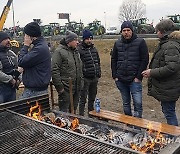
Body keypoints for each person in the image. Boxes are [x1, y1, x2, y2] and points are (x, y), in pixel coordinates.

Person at [142, 19, 180, 126]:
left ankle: (174, 137)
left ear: (162, 31)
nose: (156, 33)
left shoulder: (170, 45)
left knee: (169, 113)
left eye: (157, 31)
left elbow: (171, 67)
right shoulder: (167, 44)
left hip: (169, 87)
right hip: (168, 86)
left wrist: (151, 72)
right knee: (168, 111)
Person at [111, 21, 149, 118]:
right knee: (126, 103)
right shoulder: (117, 43)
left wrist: (138, 77)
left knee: (138, 104)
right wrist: (115, 75)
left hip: (134, 80)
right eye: (124, 30)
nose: (126, 32)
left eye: (128, 30)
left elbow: (144, 59)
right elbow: (114, 59)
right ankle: (129, 126)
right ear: (121, 32)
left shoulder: (140, 42)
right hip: (121, 79)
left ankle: (137, 126)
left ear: (132, 31)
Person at [51, 31, 83, 113]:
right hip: (66, 89)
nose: (77, 42)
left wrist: (81, 83)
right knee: (64, 114)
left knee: (73, 111)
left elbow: (79, 68)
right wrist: (60, 88)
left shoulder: (76, 52)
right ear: (69, 41)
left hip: (76, 88)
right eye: (75, 40)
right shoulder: (59, 52)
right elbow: (54, 70)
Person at [18, 22, 51, 98]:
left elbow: (21, 62)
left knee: (19, 109)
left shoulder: (39, 49)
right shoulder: (41, 46)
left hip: (34, 92)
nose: (24, 37)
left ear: (30, 36)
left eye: (25, 35)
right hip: (37, 89)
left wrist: (26, 46)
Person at [78, 29, 101, 116]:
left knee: (92, 98)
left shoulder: (94, 49)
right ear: (84, 39)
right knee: (83, 98)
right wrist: (83, 74)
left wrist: (98, 72)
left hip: (94, 77)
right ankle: (81, 116)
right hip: (85, 78)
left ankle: (91, 114)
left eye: (91, 38)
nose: (89, 40)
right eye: (87, 39)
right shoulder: (79, 50)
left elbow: (97, 61)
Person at [0, 31, 21, 103]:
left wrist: (19, 79)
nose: (8, 41)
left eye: (9, 39)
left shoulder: (12, 54)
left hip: (12, 88)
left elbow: (19, 67)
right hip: (1, 89)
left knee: (12, 110)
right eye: (5, 39)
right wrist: (10, 79)